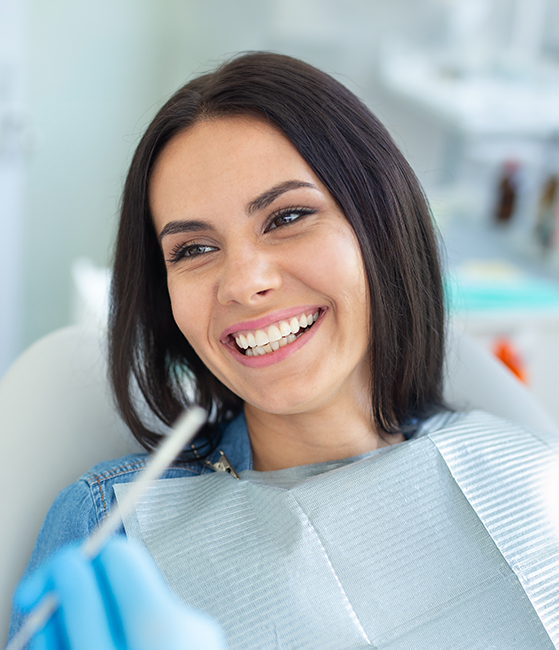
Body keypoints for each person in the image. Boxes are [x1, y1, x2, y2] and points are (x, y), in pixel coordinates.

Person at [8, 52, 559, 650]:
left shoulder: (519, 475)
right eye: (193, 249)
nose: (243, 283)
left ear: (380, 226)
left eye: (288, 216)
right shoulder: (108, 524)